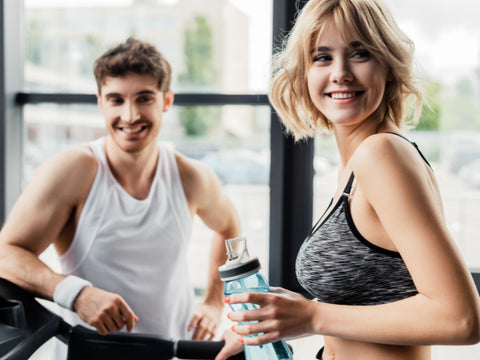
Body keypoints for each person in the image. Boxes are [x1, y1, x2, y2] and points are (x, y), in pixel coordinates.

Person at [215, 0, 480, 359]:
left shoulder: (381, 154)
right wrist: (276, 321)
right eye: (322, 57)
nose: (340, 73)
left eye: (359, 54)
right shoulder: (358, 163)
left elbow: (462, 319)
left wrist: (311, 315)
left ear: (387, 66)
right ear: (304, 73)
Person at [0, 37, 241, 358]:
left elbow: (230, 227)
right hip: (87, 351)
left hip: (170, 348)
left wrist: (213, 301)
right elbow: (6, 254)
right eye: (116, 100)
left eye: (144, 98)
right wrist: (75, 293)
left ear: (165, 101)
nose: (130, 115)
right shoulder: (73, 170)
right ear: (101, 102)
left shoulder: (190, 176)